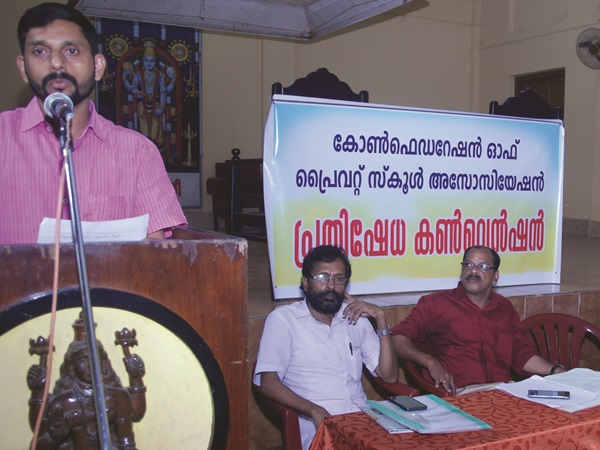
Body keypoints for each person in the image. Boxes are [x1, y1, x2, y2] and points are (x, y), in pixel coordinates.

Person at [0, 2, 187, 245]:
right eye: (40, 51)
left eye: (71, 51)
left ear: (98, 66)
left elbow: (159, 252)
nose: (56, 63)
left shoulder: (138, 153)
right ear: (23, 68)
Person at [253, 245, 398, 450]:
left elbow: (389, 376)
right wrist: (313, 410)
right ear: (306, 283)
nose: (331, 285)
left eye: (339, 279)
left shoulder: (355, 317)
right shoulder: (284, 320)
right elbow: (268, 383)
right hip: (319, 428)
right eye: (322, 277)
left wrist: (381, 319)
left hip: (364, 422)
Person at [391, 245, 566, 395]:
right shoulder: (436, 304)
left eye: (483, 267)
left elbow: (520, 354)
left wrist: (554, 370)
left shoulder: (503, 307)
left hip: (504, 391)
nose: (473, 271)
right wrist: (428, 360)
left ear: (495, 276)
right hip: (459, 394)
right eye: (468, 265)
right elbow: (397, 338)